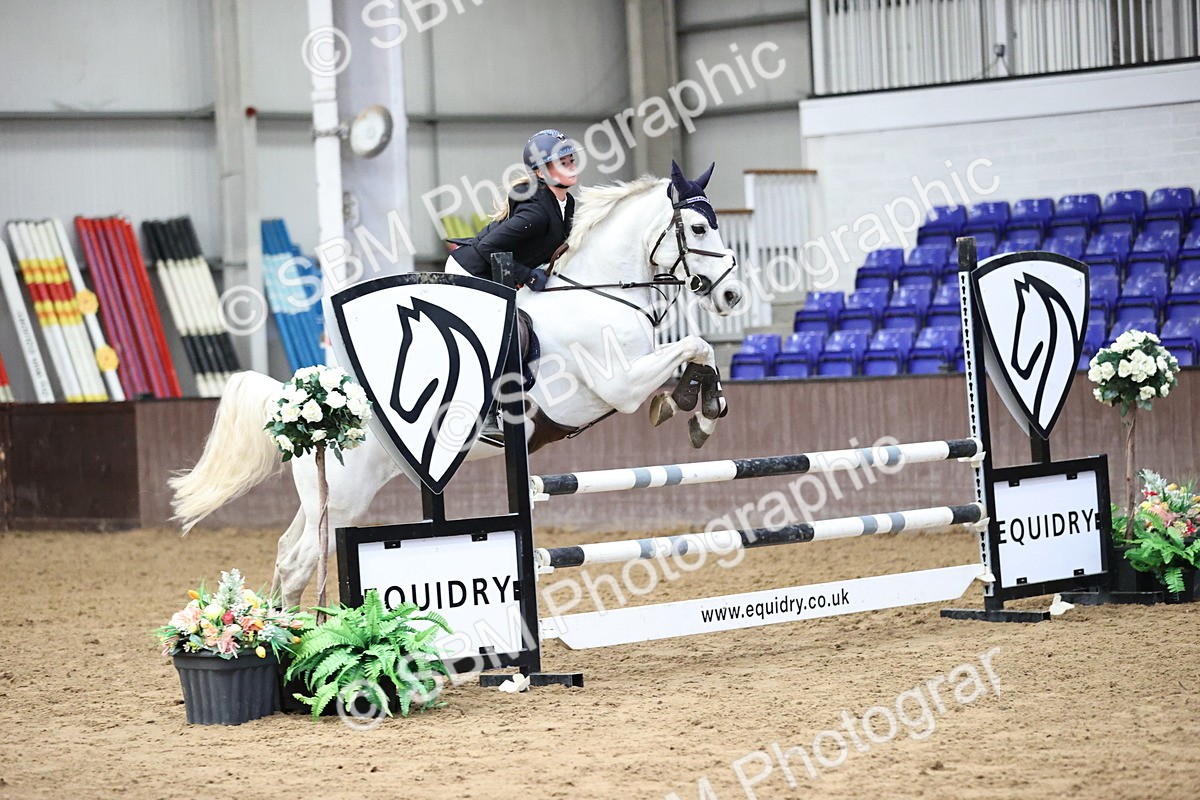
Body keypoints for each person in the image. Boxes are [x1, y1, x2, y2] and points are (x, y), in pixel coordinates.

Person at [444, 129, 580, 289]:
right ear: (541, 173)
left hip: (497, 274)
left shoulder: (568, 202)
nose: (572, 167)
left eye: (571, 161)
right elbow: (487, 246)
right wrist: (527, 276)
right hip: (470, 271)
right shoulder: (537, 213)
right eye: (563, 164)